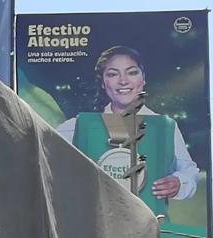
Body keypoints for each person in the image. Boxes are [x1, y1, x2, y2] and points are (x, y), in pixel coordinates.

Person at [56, 46, 199, 202]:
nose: (123, 81)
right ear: (103, 82)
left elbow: (189, 170)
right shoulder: (77, 126)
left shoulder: (164, 126)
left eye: (132, 72)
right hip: (98, 222)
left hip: (148, 221)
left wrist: (179, 182)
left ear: (143, 78)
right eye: (112, 74)